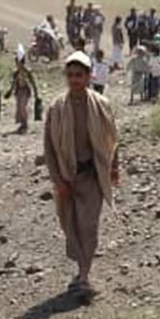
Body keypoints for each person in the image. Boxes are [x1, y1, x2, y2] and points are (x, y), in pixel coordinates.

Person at [42, 52, 120, 302]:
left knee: (89, 226)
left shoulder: (100, 104)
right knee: (70, 226)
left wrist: (114, 168)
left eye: (79, 75)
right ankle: (80, 270)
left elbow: (112, 140)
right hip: (67, 176)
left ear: (88, 77)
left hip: (93, 175)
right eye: (71, 75)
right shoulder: (56, 108)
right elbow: (49, 149)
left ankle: (84, 276)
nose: (75, 80)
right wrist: (58, 181)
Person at [10, 56, 39, 134]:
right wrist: (10, 91)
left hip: (25, 91)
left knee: (23, 107)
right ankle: (22, 123)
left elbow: (32, 82)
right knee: (19, 108)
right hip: (18, 91)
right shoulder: (15, 73)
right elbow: (13, 83)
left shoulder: (27, 71)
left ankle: (25, 124)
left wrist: (36, 92)